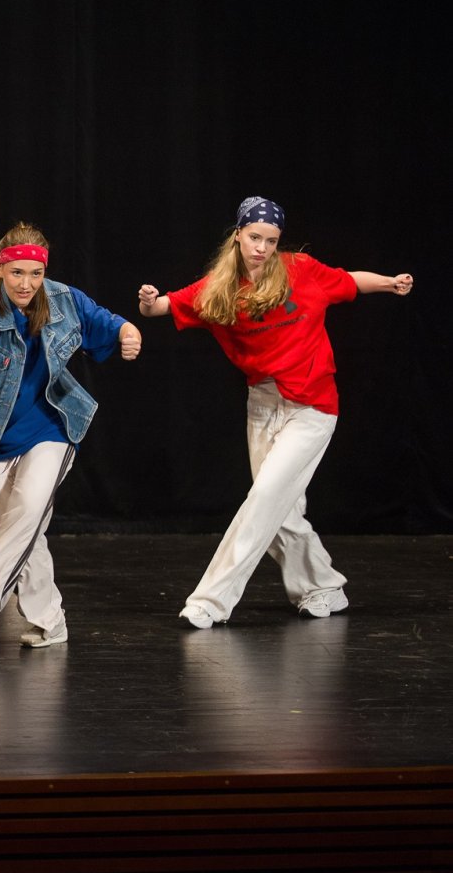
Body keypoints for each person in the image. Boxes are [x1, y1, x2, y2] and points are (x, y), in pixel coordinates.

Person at [137, 198, 412, 628]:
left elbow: (348, 281)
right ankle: (323, 587)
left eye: (271, 240)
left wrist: (389, 283)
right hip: (263, 405)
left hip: (314, 406)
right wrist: (148, 301)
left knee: (265, 497)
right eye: (254, 237)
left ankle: (210, 601)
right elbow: (164, 308)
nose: (262, 247)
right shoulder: (219, 287)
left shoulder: (300, 270)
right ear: (238, 235)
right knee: (280, 511)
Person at [0, 224, 141, 657]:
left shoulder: (63, 299)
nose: (26, 284)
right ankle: (51, 621)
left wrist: (129, 333)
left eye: (35, 274)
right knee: (20, 534)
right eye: (17, 273)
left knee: (24, 518)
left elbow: (108, 324)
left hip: (53, 428)